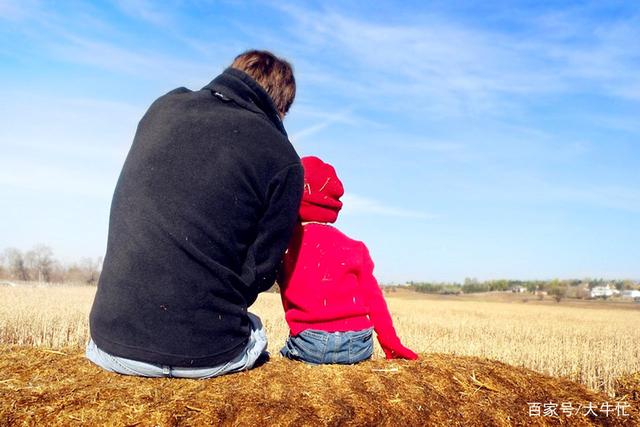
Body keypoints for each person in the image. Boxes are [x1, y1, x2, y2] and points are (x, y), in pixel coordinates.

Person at [86, 50, 303, 378]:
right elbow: (260, 270)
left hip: (108, 344)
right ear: (281, 107)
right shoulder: (283, 158)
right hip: (205, 355)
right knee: (256, 331)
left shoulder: (163, 107)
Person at [279, 156, 418, 364]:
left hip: (311, 343)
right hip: (359, 343)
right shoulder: (355, 247)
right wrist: (391, 343)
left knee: (282, 355)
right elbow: (374, 300)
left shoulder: (287, 246)